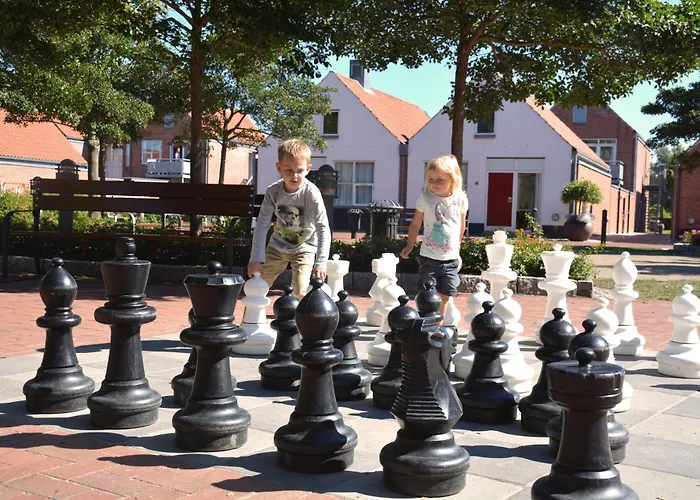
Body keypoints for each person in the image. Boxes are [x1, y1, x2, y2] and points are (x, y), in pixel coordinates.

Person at [248, 139, 330, 297]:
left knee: (301, 289)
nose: (294, 176)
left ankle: (298, 312)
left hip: (305, 247)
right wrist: (256, 259)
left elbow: (323, 227)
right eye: (288, 170)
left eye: (300, 170)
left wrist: (320, 262)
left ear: (308, 169)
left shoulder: (311, 193)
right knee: (257, 285)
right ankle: (252, 312)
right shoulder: (273, 191)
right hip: (277, 246)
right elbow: (262, 224)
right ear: (279, 168)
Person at [400, 154, 468, 318]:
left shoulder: (460, 199)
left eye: (440, 180)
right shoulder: (425, 198)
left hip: (450, 260)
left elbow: (461, 225)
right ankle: (425, 323)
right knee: (426, 295)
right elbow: (415, 224)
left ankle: (436, 326)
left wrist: (457, 248)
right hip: (429, 259)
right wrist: (410, 244)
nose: (434, 183)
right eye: (431, 179)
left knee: (445, 297)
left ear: (453, 179)